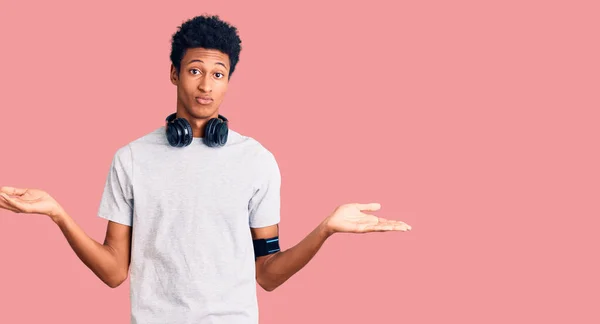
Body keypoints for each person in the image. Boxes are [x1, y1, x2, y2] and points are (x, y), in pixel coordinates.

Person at [0, 14, 412, 324]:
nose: (206, 85)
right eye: (195, 71)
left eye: (219, 74)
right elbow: (113, 272)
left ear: (229, 80)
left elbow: (267, 275)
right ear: (175, 74)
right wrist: (58, 214)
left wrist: (325, 230)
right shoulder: (131, 158)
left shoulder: (257, 161)